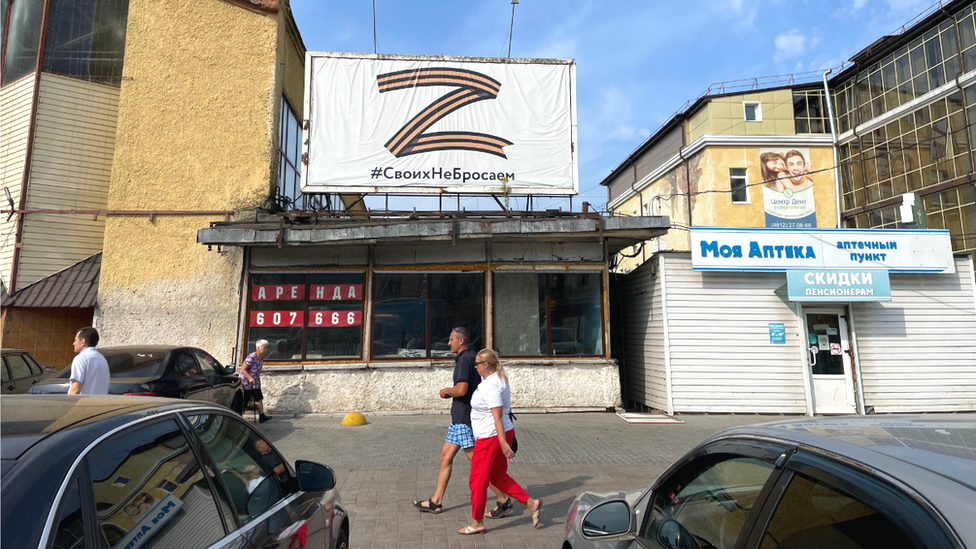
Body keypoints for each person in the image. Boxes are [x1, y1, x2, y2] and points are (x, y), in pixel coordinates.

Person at [413, 328, 509, 515]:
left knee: (478, 465)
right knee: (445, 456)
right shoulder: (466, 358)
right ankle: (436, 501)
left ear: (461, 341)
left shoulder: (465, 360)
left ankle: (503, 498)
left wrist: (446, 391)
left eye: (451, 340)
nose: (448, 343)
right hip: (458, 420)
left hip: (464, 419)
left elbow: (462, 389)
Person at [460, 349, 542, 535]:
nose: (475, 367)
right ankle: (531, 503)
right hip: (495, 435)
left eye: (477, 364)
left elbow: (497, 416)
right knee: (496, 476)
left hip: (491, 437)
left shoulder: (492, 386)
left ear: (485, 365)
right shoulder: (495, 380)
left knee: (477, 481)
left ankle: (477, 522)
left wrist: (503, 443)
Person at [67, 327, 110, 395]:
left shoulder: (80, 359)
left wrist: (68, 401)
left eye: (75, 340)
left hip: (83, 401)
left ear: (82, 342)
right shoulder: (102, 359)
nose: (73, 343)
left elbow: (75, 389)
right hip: (100, 401)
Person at [241, 340, 272, 423]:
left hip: (255, 381)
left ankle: (262, 416)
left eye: (266, 348)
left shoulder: (261, 357)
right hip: (247, 381)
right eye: (264, 348)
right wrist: (250, 378)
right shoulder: (251, 357)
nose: (265, 350)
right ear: (258, 348)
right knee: (245, 400)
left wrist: (255, 379)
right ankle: (239, 417)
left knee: (258, 398)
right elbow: (243, 369)